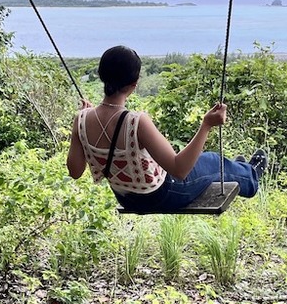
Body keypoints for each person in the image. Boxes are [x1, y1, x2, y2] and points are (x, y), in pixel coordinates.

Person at [67, 45, 267, 213]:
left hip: (127, 199)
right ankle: (251, 177)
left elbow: (75, 172)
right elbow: (179, 170)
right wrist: (206, 125)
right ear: (134, 85)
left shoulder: (81, 119)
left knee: (214, 165)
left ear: (101, 76)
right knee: (213, 161)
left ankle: (239, 169)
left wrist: (82, 123)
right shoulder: (136, 121)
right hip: (162, 195)